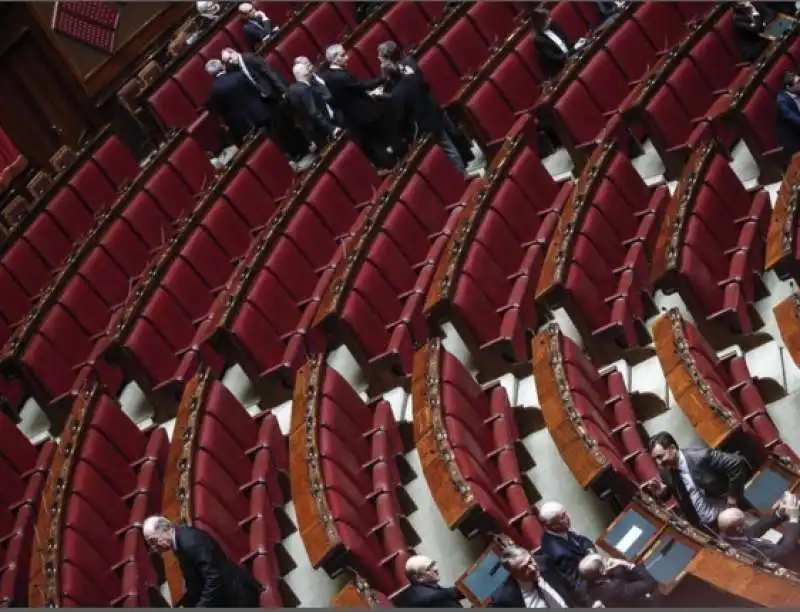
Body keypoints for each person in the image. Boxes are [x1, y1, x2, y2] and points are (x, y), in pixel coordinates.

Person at [376, 40, 484, 177]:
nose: (378, 58)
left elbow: (400, 104)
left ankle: (463, 175)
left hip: (424, 119)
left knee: (446, 146)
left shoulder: (399, 90)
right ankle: (468, 158)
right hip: (431, 105)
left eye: (380, 55)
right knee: (451, 133)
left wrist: (383, 94)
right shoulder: (410, 62)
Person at [219, 48, 314, 171]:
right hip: (266, 100)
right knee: (281, 127)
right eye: (227, 61)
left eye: (230, 58)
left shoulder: (250, 58)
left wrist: (283, 91)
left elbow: (270, 73)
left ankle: (306, 145)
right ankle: (299, 150)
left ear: (233, 52)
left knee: (290, 122)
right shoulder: (235, 68)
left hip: (276, 93)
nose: (230, 62)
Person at [142, 516, 262, 607]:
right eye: (150, 544)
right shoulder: (178, 540)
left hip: (237, 597)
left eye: (153, 541)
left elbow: (214, 579)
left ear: (165, 529)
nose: (154, 547)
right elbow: (195, 580)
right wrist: (184, 603)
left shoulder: (189, 543)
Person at [646, 431, 751, 531]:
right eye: (655, 459)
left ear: (672, 448)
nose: (658, 463)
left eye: (660, 457)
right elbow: (677, 492)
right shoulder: (665, 472)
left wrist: (732, 498)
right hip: (707, 527)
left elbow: (736, 463)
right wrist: (663, 493)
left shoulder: (701, 456)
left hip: (730, 514)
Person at [320, 44, 399, 173]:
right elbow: (362, 86)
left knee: (373, 144)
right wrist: (383, 78)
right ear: (334, 59)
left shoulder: (327, 76)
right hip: (365, 114)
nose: (347, 57)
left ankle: (388, 165)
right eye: (343, 55)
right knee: (382, 138)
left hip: (352, 118)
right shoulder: (342, 77)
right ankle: (393, 163)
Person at [538, 501, 597, 606]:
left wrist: (589, 550)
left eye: (566, 513)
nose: (568, 517)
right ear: (550, 525)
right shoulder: (558, 552)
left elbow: (582, 540)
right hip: (591, 591)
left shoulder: (560, 530)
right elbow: (577, 584)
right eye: (563, 517)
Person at [717, 492, 800, 564]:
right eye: (743, 522)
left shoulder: (729, 533)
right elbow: (785, 550)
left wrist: (778, 515)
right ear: (739, 528)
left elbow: (753, 531)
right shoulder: (748, 551)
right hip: (782, 562)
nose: (745, 523)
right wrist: (794, 519)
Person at [488, 545, 571, 608]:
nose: (533, 568)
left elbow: (569, 586)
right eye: (524, 568)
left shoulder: (545, 562)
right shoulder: (503, 599)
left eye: (530, 561)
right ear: (513, 573)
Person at [287, 60, 341, 150]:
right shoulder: (304, 90)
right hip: (323, 129)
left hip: (313, 131)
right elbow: (314, 112)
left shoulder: (293, 89)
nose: (309, 70)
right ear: (305, 74)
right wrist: (331, 128)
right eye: (307, 69)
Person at [578, 554, 660, 607]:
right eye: (605, 560)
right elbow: (651, 583)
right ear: (602, 571)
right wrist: (627, 564)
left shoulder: (587, 586)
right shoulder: (616, 589)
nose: (609, 559)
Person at [532, 8, 586, 77]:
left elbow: (566, 44)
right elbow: (557, 59)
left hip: (571, 57)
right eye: (547, 19)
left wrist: (578, 42)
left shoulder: (553, 25)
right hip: (562, 68)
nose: (550, 20)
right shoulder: (539, 41)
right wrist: (574, 49)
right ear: (540, 23)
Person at [777, 71, 800, 159]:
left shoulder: (797, 91)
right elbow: (795, 120)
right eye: (798, 83)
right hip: (794, 140)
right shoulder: (782, 102)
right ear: (788, 87)